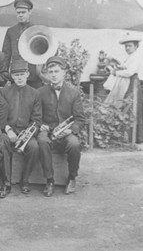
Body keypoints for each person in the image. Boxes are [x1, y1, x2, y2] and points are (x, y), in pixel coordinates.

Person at [37, 56, 85, 197]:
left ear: (63, 73)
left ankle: (71, 178)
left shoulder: (73, 92)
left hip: (66, 132)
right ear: (47, 74)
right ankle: (49, 180)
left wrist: (71, 130)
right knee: (42, 141)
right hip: (48, 130)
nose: (53, 74)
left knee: (74, 144)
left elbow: (80, 119)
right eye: (50, 71)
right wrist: (41, 125)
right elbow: (36, 115)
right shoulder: (40, 92)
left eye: (56, 71)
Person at [0, 60, 42, 198]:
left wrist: (26, 135)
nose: (19, 78)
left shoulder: (35, 93)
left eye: (22, 74)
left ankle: (25, 180)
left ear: (27, 74)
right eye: (16, 75)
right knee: (2, 143)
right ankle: (6, 183)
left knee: (34, 147)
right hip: (7, 130)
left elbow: (37, 120)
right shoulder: (4, 92)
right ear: (12, 76)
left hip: (26, 131)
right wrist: (8, 129)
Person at [105, 33, 143, 143]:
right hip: (128, 82)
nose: (127, 48)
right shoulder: (130, 57)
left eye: (130, 46)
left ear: (136, 46)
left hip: (132, 83)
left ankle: (136, 136)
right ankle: (128, 135)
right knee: (126, 105)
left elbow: (130, 72)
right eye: (126, 46)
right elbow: (127, 68)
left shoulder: (136, 56)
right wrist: (119, 66)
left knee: (131, 106)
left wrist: (115, 72)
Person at [2, 0, 44, 89]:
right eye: (18, 12)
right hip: (16, 74)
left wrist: (41, 72)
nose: (20, 15)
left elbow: (44, 53)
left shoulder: (37, 29)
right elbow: (6, 53)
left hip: (33, 76)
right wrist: (5, 72)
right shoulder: (11, 31)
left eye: (23, 12)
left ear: (30, 12)